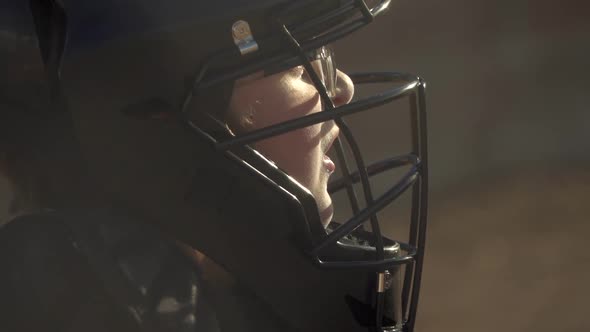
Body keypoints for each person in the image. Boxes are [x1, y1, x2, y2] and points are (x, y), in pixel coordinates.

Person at [0, 1, 428, 332]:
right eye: (299, 62)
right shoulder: (73, 300)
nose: (343, 88)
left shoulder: (216, 297)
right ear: (164, 112)